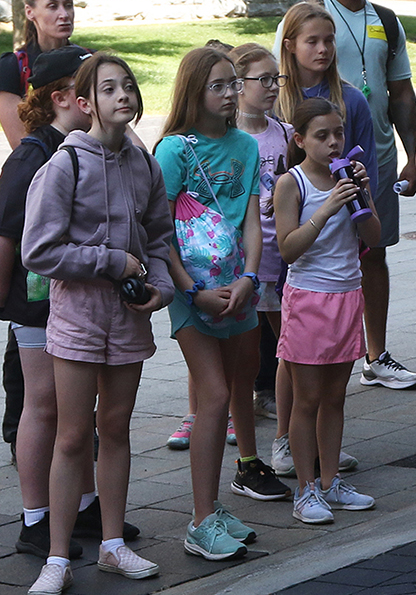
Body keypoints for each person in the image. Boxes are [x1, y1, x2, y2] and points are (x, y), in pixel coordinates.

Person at [20, 53, 180, 595]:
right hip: (78, 318)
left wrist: (160, 284)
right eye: (109, 88)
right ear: (85, 104)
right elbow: (39, 250)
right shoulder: (64, 166)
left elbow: (159, 235)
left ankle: (113, 544)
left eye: (129, 86)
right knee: (72, 435)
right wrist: (111, 261)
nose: (123, 95)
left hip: (128, 320)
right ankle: (58, 555)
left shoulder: (144, 164)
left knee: (115, 429)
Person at [0, 45, 113, 559]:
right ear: (64, 98)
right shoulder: (34, 155)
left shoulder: (88, 148)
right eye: (94, 89)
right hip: (36, 304)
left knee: (77, 409)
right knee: (43, 404)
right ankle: (36, 518)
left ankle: (82, 506)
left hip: (72, 301)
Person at [157, 45, 262, 563]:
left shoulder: (246, 146)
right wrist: (190, 289)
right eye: (217, 85)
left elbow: (252, 220)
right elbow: (161, 231)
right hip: (190, 294)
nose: (229, 94)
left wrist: (249, 277)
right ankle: (200, 520)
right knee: (214, 398)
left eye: (233, 84)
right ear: (194, 92)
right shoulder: (174, 150)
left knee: (234, 389)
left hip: (237, 290)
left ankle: (215, 506)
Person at [320, 0, 416, 392]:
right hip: (321, 158)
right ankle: (317, 355)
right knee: (317, 255)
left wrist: (415, 153)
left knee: (374, 252)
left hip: (376, 155)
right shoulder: (309, 16)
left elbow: (401, 90)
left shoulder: (385, 18)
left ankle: (375, 353)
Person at [271, 97, 379, 523]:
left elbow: (375, 234)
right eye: (322, 135)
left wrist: (362, 196)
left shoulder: (350, 178)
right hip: (309, 299)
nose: (334, 143)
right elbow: (288, 248)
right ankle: (305, 489)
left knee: (335, 397)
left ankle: (331, 481)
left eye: (339, 133)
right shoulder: (291, 184)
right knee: (308, 399)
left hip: (348, 293)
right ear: (300, 140)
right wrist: (327, 208)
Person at [222, 43, 294, 503]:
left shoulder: (286, 133)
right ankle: (249, 447)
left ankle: (288, 438)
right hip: (247, 264)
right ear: (238, 84)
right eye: (261, 80)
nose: (271, 88)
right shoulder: (227, 139)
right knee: (246, 361)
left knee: (293, 349)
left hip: (289, 259)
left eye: (276, 80)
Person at [0, 0, 79, 147]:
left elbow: (118, 129)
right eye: (52, 6)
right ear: (29, 12)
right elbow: (21, 143)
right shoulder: (12, 66)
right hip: (44, 168)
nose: (64, 14)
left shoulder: (89, 60)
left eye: (68, 5)